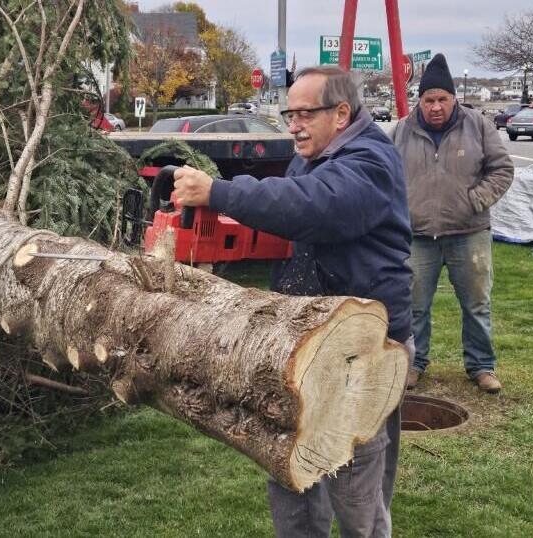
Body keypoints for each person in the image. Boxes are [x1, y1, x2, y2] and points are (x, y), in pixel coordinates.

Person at [173, 66, 413, 538]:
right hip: (304, 341)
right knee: (290, 463)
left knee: (356, 478)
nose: (293, 124)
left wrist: (220, 192)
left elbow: (313, 206)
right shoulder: (312, 156)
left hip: (361, 347)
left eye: (305, 113)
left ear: (341, 113)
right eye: (289, 113)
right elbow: (292, 215)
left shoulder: (370, 162)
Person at [391, 54, 514, 394]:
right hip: (417, 236)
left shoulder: (478, 126)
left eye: (442, 99)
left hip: (469, 233)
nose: (435, 107)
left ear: (453, 98)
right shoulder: (401, 131)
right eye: (429, 100)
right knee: (413, 305)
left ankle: (482, 366)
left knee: (476, 303)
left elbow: (502, 170)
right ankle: (413, 363)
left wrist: (475, 201)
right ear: (420, 100)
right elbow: (383, 175)